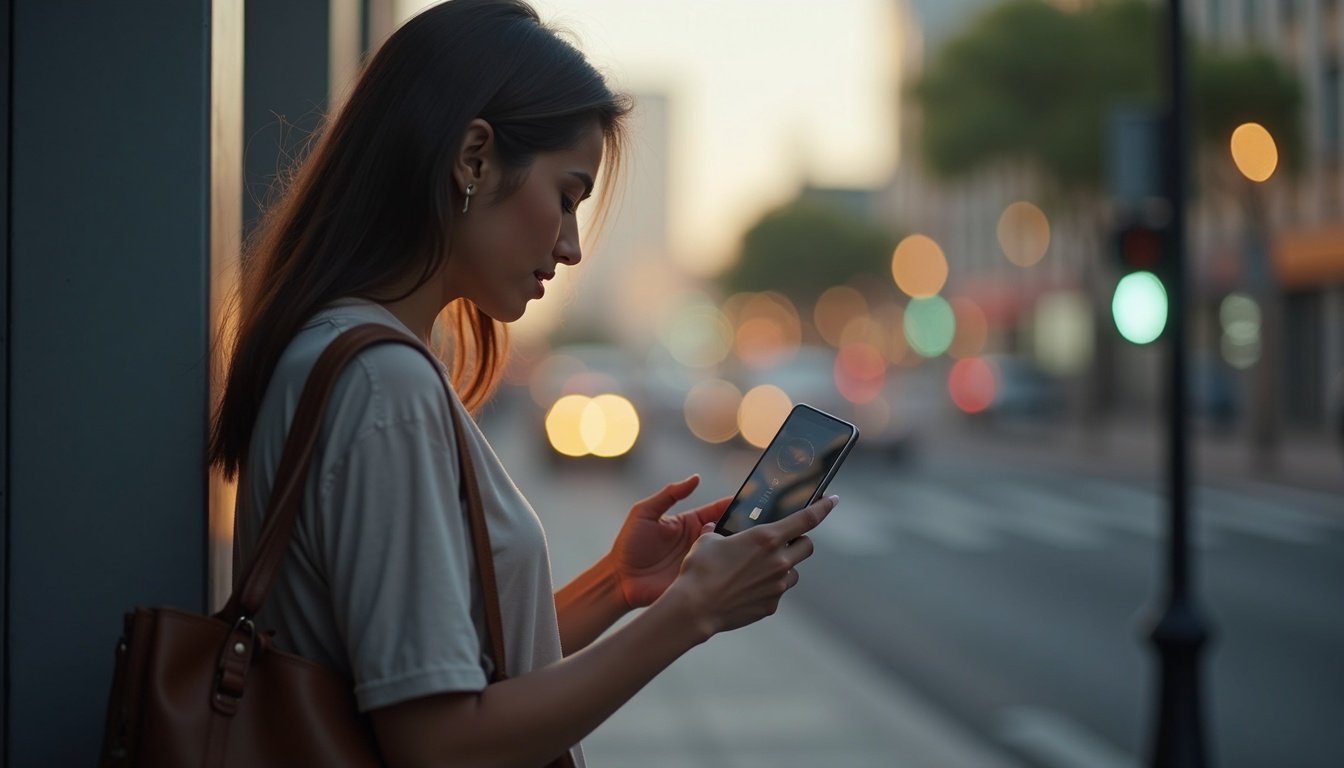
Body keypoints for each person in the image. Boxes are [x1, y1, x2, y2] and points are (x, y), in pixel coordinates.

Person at [208, 1, 837, 766]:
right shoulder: (384, 384)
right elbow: (440, 744)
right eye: (568, 196)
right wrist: (694, 613)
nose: (570, 246)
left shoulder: (340, 348)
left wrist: (617, 584)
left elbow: (451, 670)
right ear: (473, 158)